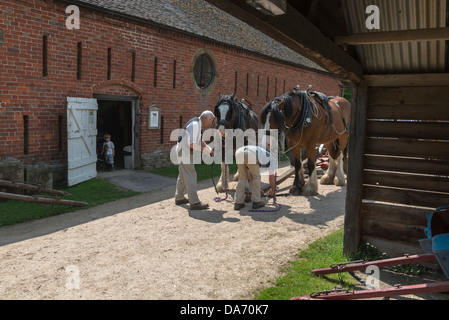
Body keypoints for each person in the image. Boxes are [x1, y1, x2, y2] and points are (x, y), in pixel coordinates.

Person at [174, 110, 215, 210]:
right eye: (210, 122)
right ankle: (195, 203)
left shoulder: (197, 123)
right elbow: (191, 144)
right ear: (205, 119)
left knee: (183, 176)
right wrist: (204, 150)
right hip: (184, 151)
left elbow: (199, 140)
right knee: (191, 175)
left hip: (181, 150)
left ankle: (179, 197)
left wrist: (208, 148)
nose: (210, 124)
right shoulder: (195, 125)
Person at [234, 137, 277, 210]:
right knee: (257, 177)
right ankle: (256, 202)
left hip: (239, 152)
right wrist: (273, 190)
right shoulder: (272, 159)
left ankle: (238, 202)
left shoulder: (261, 151)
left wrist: (257, 190)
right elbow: (272, 177)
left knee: (242, 178)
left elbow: (250, 174)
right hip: (250, 154)